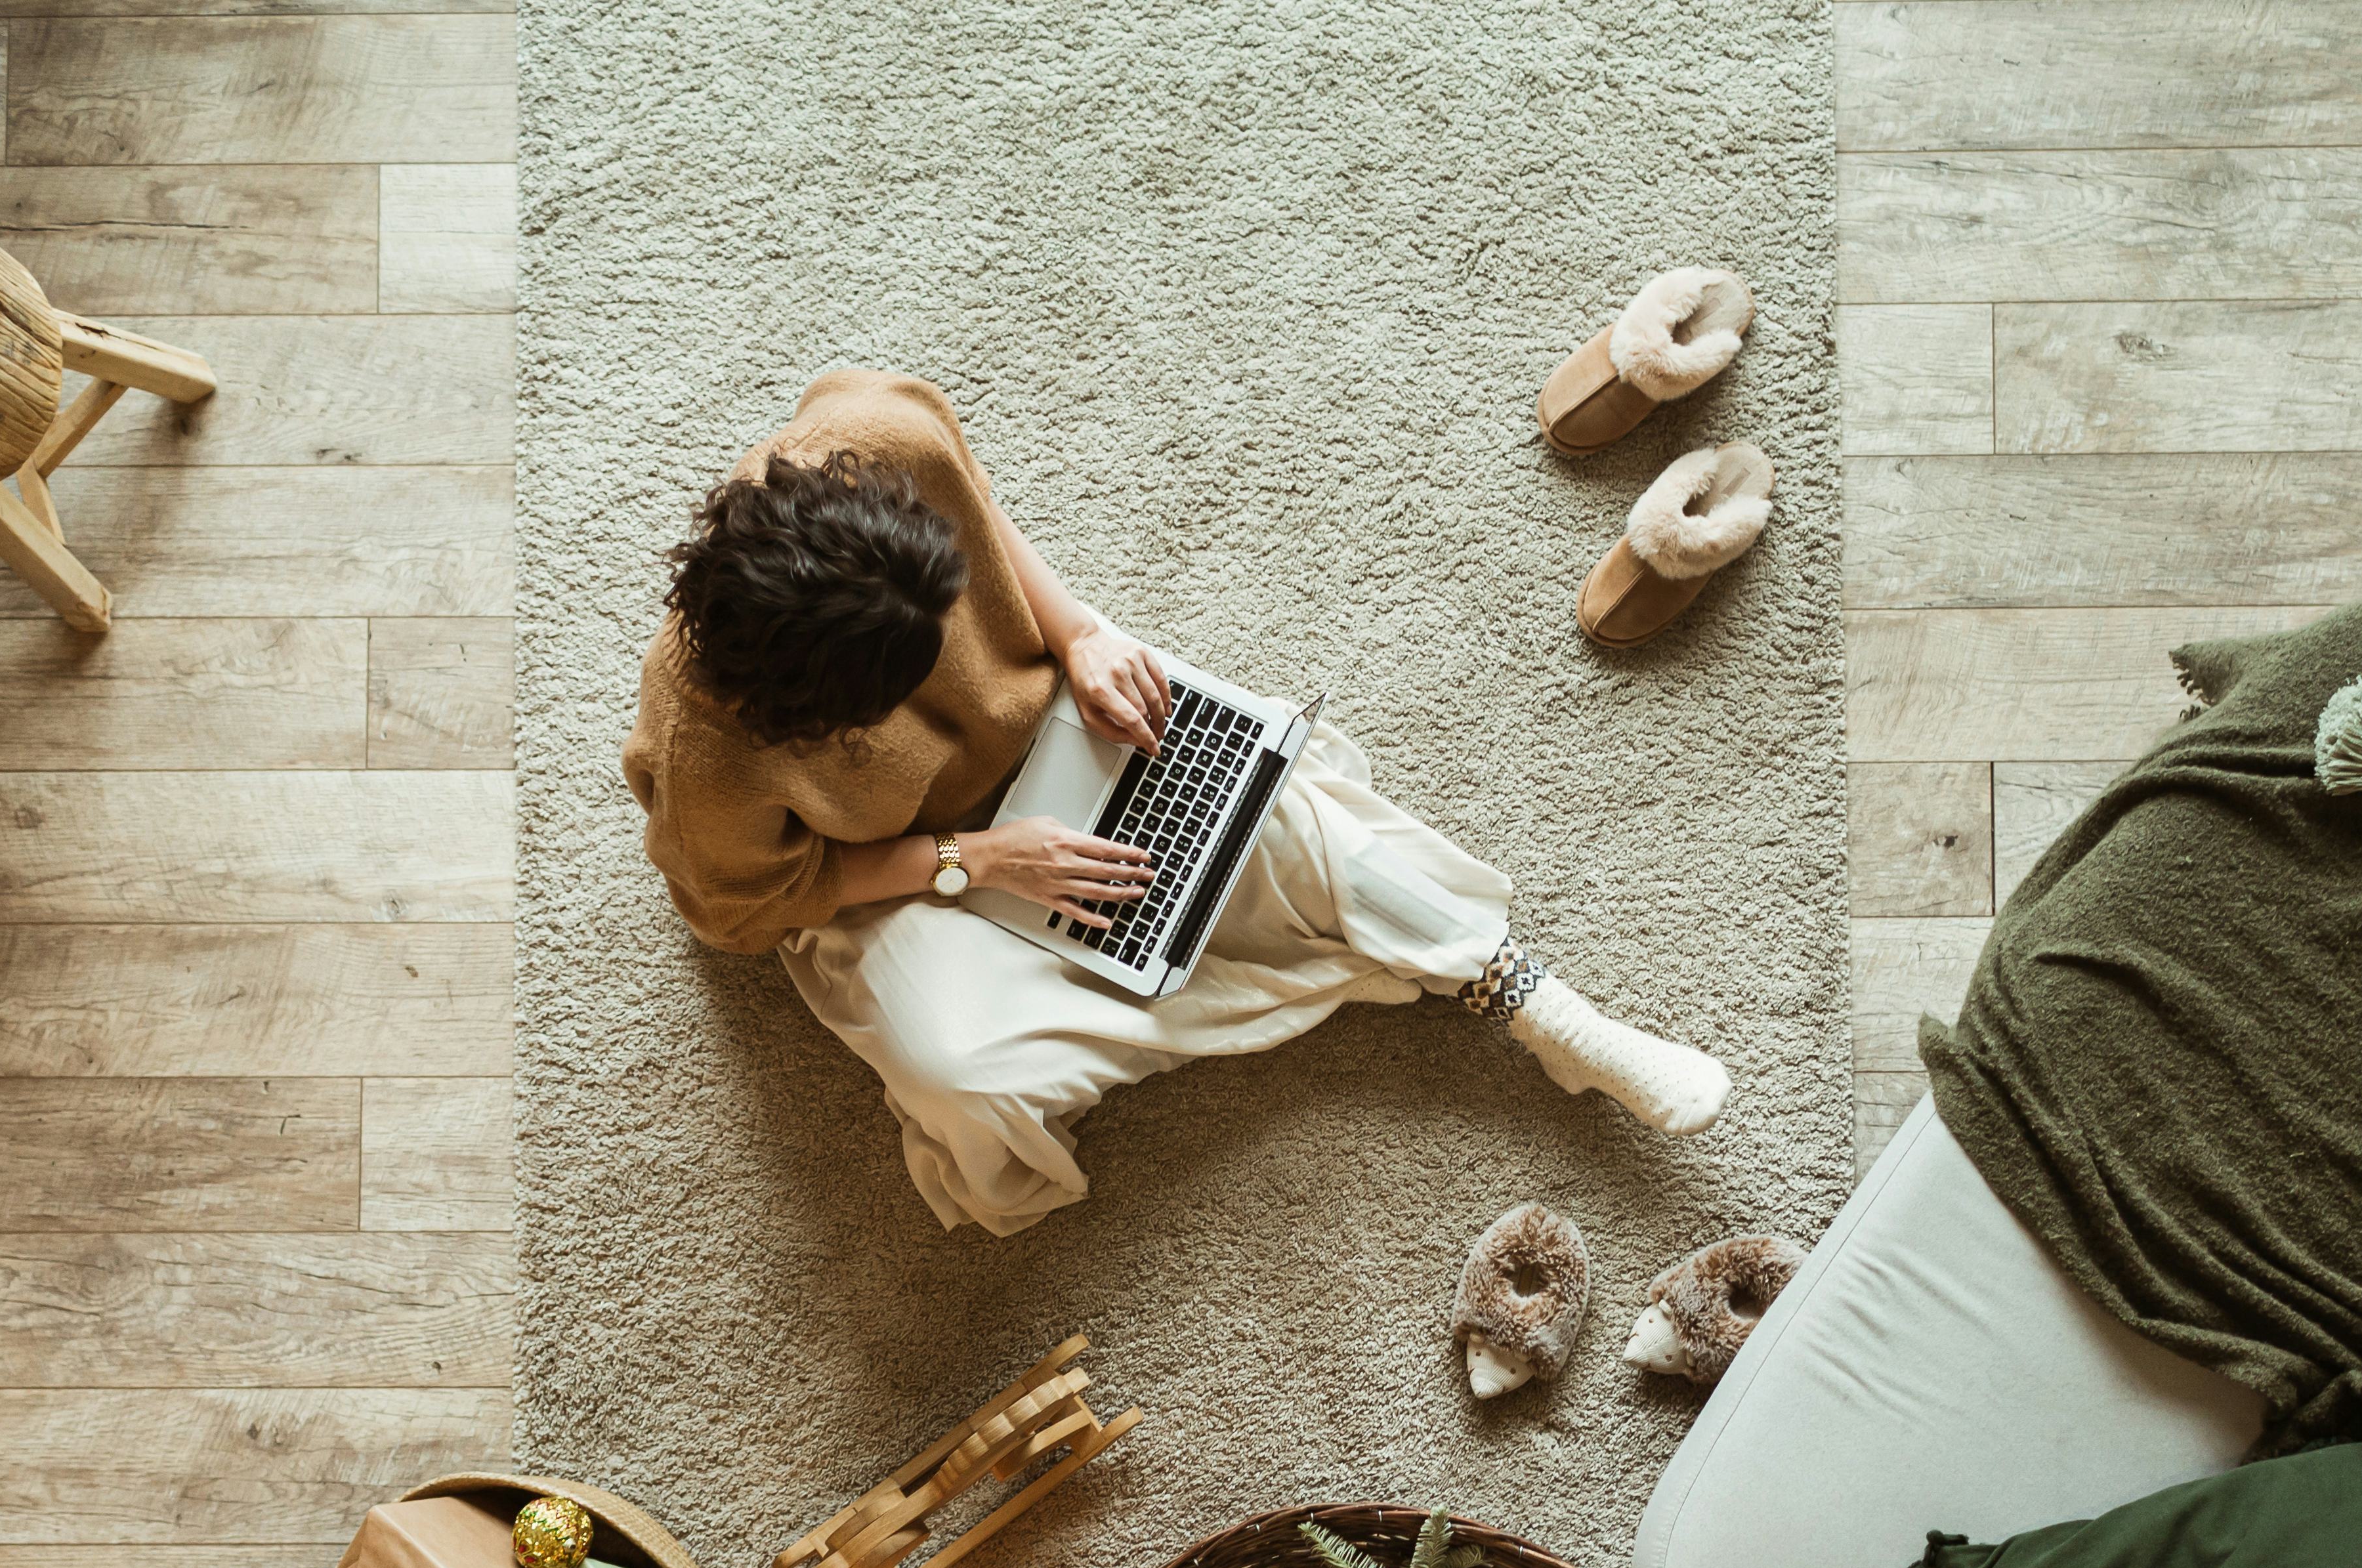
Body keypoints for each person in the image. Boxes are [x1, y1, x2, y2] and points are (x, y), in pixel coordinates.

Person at [622, 368, 1729, 1237]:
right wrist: (977, 861)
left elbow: (984, 517)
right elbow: (745, 913)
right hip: (905, 873)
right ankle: (1323, 960)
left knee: (1275, 811)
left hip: (1059, 722)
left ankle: (1530, 1001)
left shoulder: (880, 437)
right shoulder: (710, 753)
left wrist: (1082, 634)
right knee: (973, 1078)